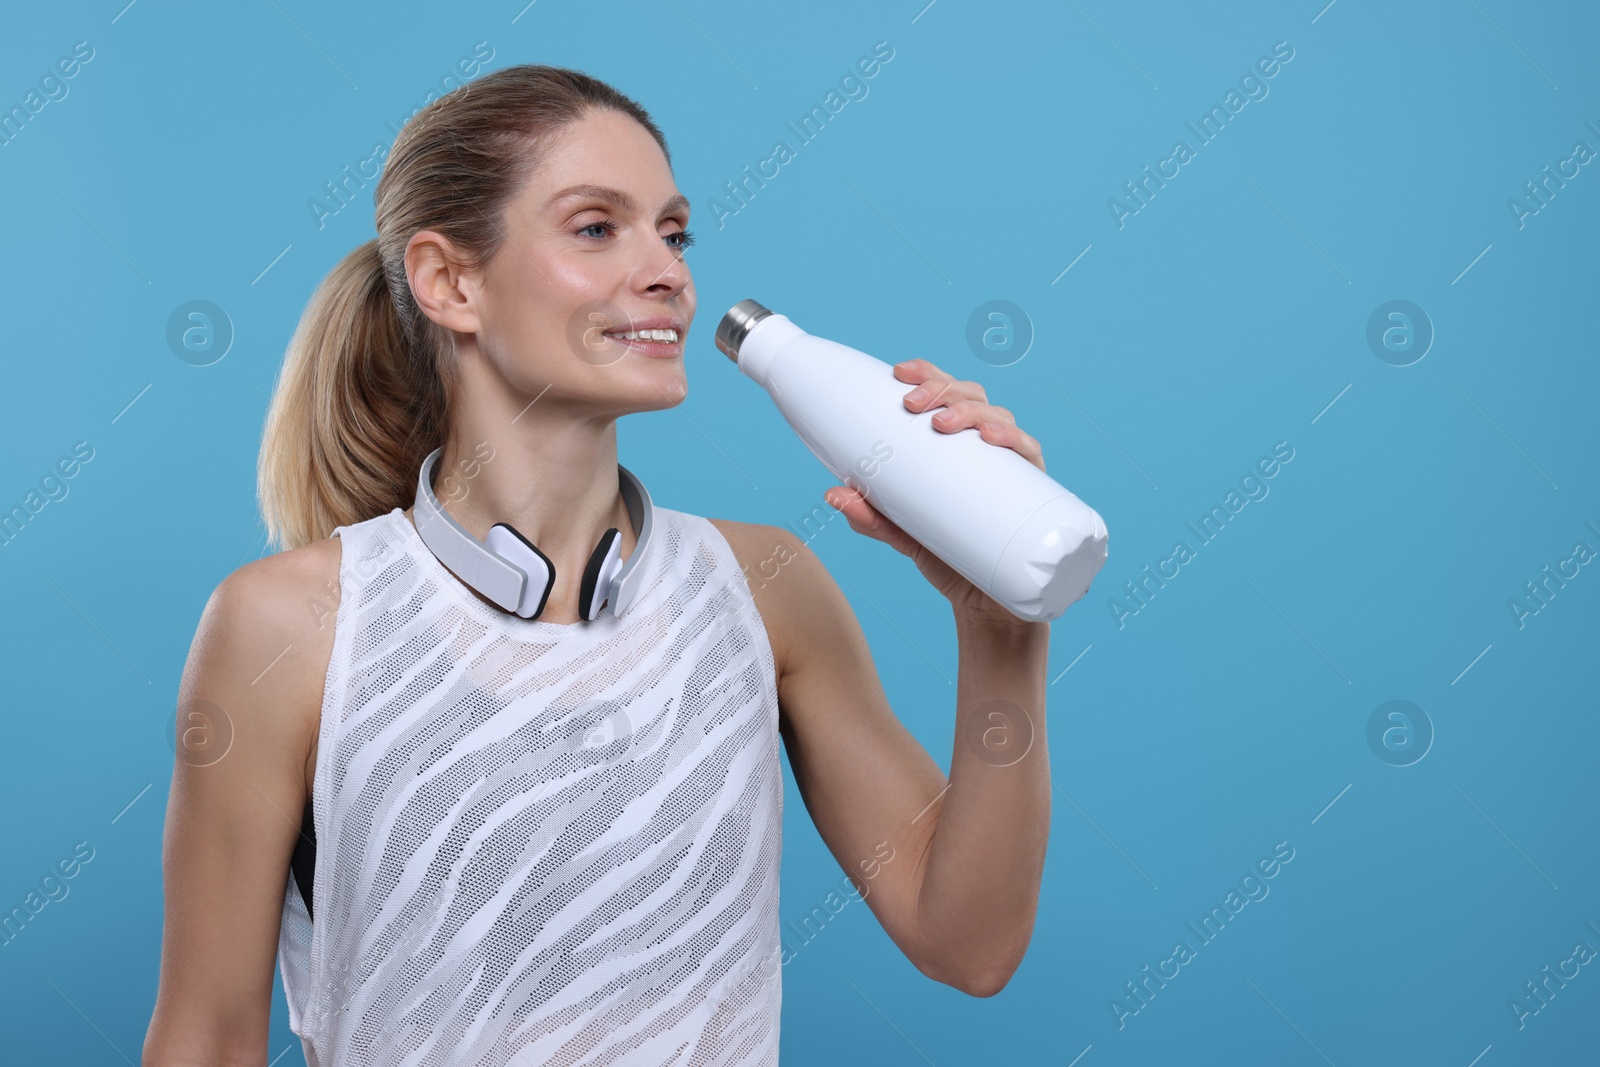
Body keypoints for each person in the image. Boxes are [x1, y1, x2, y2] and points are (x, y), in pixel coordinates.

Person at [142, 64, 1053, 1067]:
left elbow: (969, 943)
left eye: (673, 230)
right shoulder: (289, 624)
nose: (667, 270)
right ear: (451, 282)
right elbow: (206, 1038)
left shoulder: (765, 587)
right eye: (594, 227)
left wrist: (1000, 622)